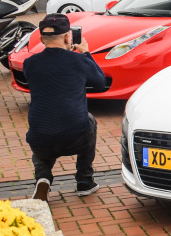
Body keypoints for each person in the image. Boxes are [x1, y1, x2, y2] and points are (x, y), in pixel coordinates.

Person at [23, 14, 111, 201]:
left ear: (41, 39)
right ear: (67, 37)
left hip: (41, 139)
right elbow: (100, 82)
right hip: (75, 137)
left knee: (41, 137)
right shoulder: (78, 60)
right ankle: (84, 181)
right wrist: (86, 53)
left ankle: (43, 178)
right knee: (90, 120)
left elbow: (52, 72)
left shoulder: (29, 64)